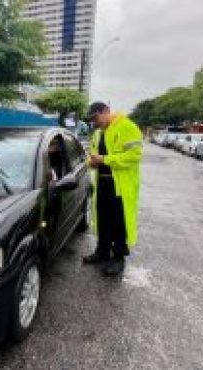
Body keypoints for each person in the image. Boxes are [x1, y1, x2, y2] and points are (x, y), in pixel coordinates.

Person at [83, 102, 143, 276]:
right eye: (92, 120)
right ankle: (102, 252)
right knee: (102, 219)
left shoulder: (127, 127)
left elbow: (134, 156)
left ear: (106, 111)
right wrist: (91, 162)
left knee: (118, 222)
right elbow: (92, 157)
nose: (94, 122)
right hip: (102, 183)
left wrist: (105, 160)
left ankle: (118, 258)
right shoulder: (98, 133)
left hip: (120, 185)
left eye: (96, 118)